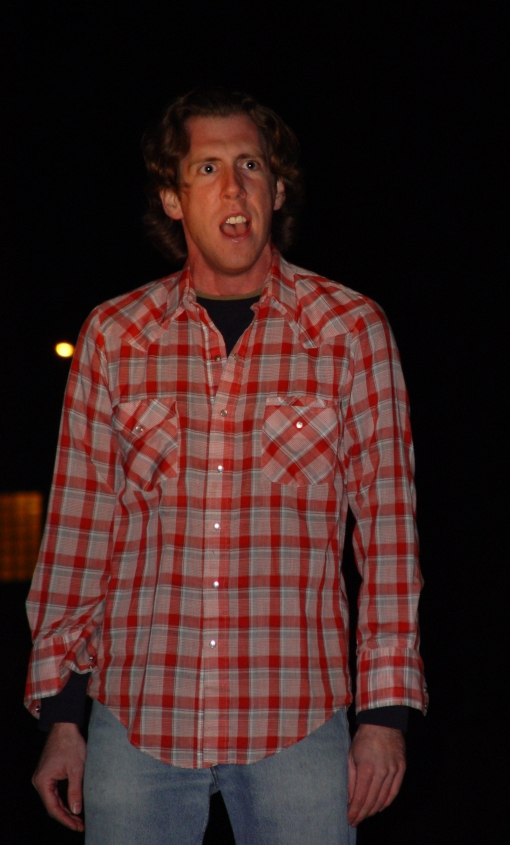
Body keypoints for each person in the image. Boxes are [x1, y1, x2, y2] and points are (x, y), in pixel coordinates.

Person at [25, 87, 427, 845]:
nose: (234, 187)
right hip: (137, 720)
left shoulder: (350, 330)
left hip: (297, 722)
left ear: (278, 190)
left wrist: (384, 714)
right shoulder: (114, 335)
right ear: (174, 199)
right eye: (207, 168)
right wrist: (63, 718)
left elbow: (389, 536)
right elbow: (79, 532)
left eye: (251, 164)